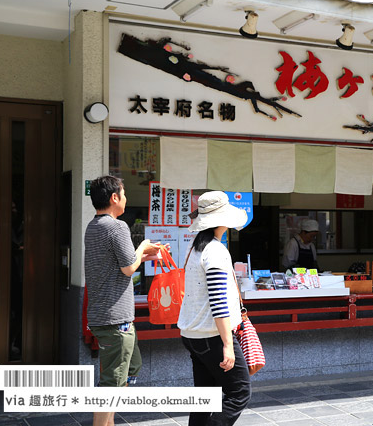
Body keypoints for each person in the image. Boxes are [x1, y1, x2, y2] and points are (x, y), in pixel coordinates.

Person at [84, 176, 162, 426]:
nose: (126, 198)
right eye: (124, 194)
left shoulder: (93, 226)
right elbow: (129, 268)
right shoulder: (117, 227)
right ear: (114, 198)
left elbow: (120, 264)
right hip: (115, 318)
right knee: (112, 383)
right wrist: (144, 245)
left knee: (126, 371)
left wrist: (145, 255)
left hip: (104, 316)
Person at [178, 191, 252, 425]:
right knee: (239, 393)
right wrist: (228, 345)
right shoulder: (216, 251)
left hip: (192, 333)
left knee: (204, 398)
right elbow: (218, 302)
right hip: (212, 336)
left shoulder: (195, 247)